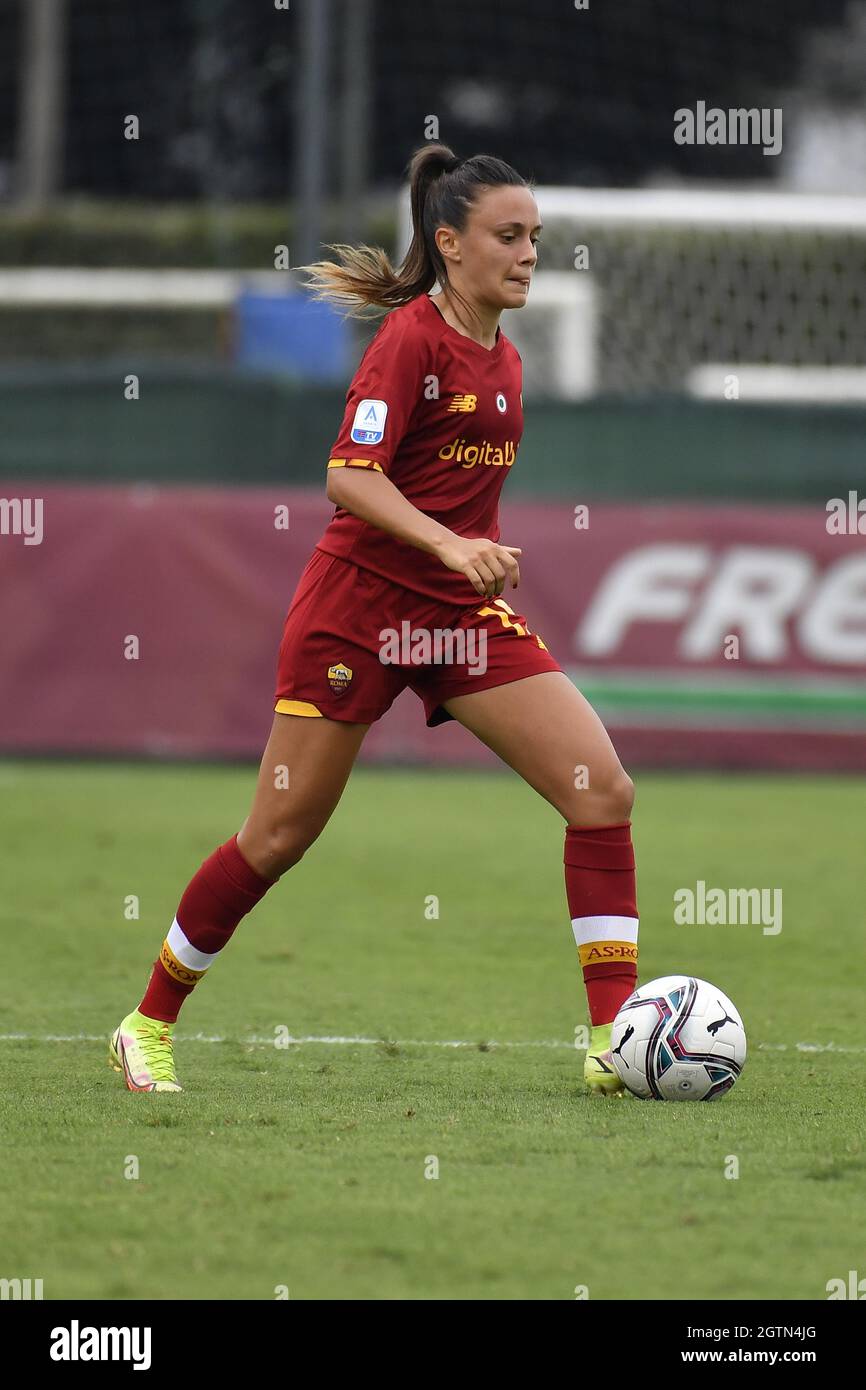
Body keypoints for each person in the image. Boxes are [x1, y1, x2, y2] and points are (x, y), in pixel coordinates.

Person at [109, 143, 638, 1096]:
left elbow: (453, 490)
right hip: (357, 614)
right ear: (450, 243)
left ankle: (612, 1044)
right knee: (277, 837)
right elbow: (348, 477)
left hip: (458, 619)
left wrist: (479, 550)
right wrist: (449, 544)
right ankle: (147, 1022)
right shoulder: (409, 342)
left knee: (600, 790)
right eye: (507, 237)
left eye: (536, 238)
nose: (528, 255)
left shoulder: (508, 356)